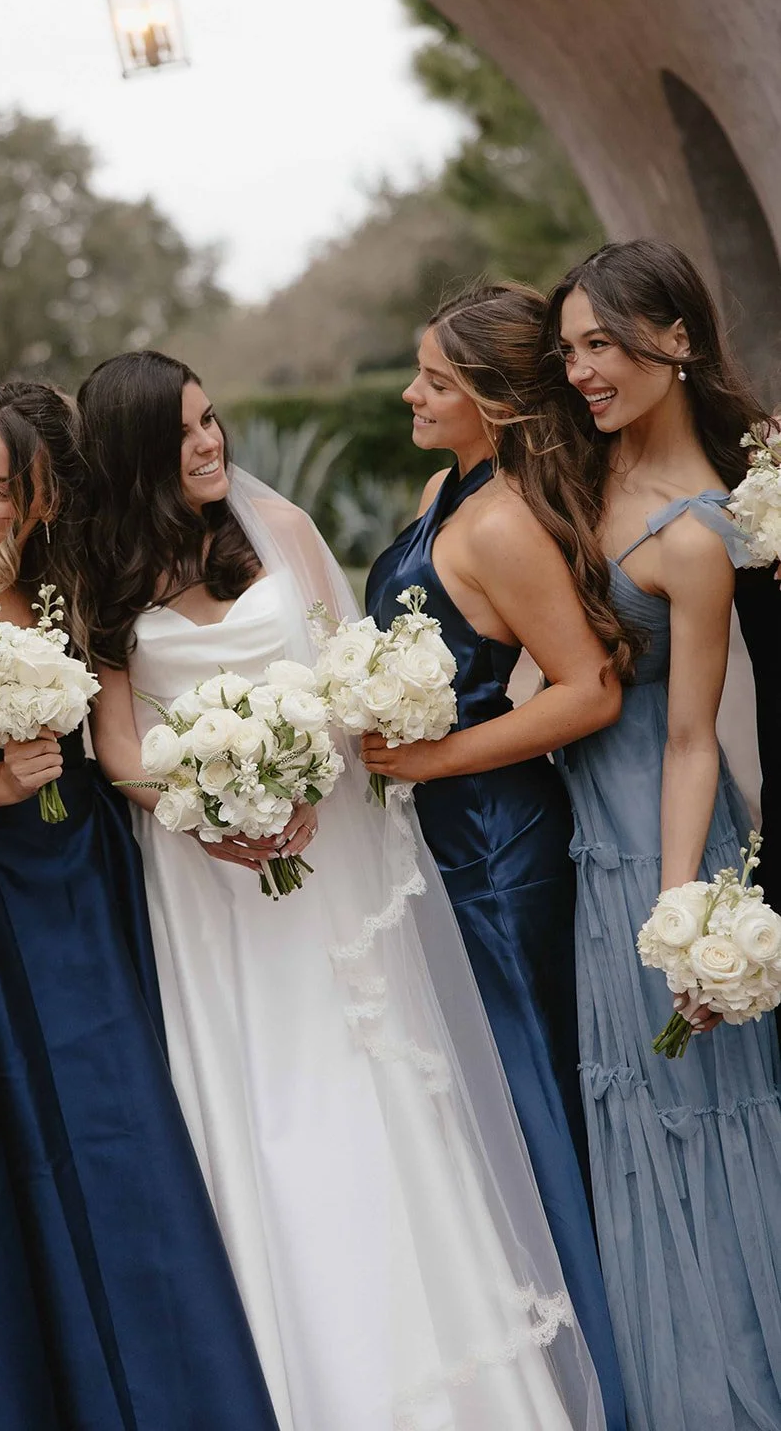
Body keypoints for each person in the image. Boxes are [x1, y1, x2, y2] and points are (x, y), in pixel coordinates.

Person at [78, 348, 607, 1431]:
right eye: (183, 431)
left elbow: (350, 682)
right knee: (261, 1108)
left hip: (330, 868)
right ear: (136, 451)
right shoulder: (103, 577)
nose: (211, 441)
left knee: (366, 1084)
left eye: (212, 416)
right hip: (205, 886)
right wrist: (198, 810)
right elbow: (115, 743)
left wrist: (311, 772)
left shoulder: (285, 535)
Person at [0, 380, 277, 1431]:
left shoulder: (65, 585)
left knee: (118, 1124)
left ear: (46, 504)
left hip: (80, 886)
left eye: (6, 488)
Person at [363, 282, 626, 1430]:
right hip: (437, 831)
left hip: (496, 840)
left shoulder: (507, 521)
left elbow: (588, 689)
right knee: (478, 1096)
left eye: (433, 378)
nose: (411, 392)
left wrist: (435, 757)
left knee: (527, 1086)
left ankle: (605, 1368)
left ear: (492, 402)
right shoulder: (442, 493)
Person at [536, 239, 781, 1429]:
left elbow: (692, 739)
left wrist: (680, 913)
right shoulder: (570, 475)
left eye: (604, 344)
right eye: (570, 346)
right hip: (579, 836)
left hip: (656, 840)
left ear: (675, 341)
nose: (582, 369)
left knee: (694, 1113)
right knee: (626, 1119)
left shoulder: (700, 532)